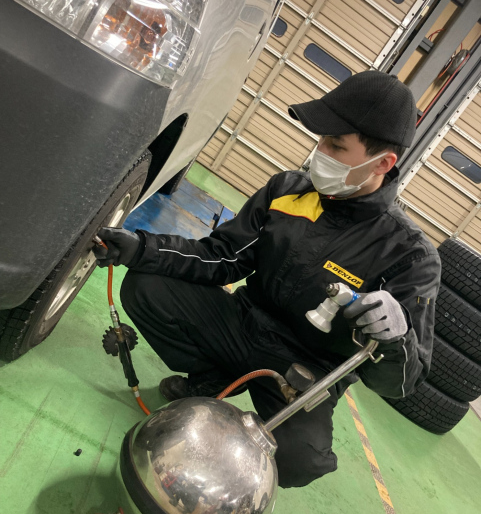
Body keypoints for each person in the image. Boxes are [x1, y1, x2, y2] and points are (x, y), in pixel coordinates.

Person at [94, 71, 441, 489]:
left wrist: (396, 340)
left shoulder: (409, 255)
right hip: (241, 324)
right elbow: (222, 256)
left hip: (303, 372)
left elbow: (399, 384)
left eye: (335, 146)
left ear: (382, 163)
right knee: (146, 286)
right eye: (320, 140)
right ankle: (212, 376)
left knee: (297, 461)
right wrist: (140, 249)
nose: (319, 153)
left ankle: (263, 421)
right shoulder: (288, 191)